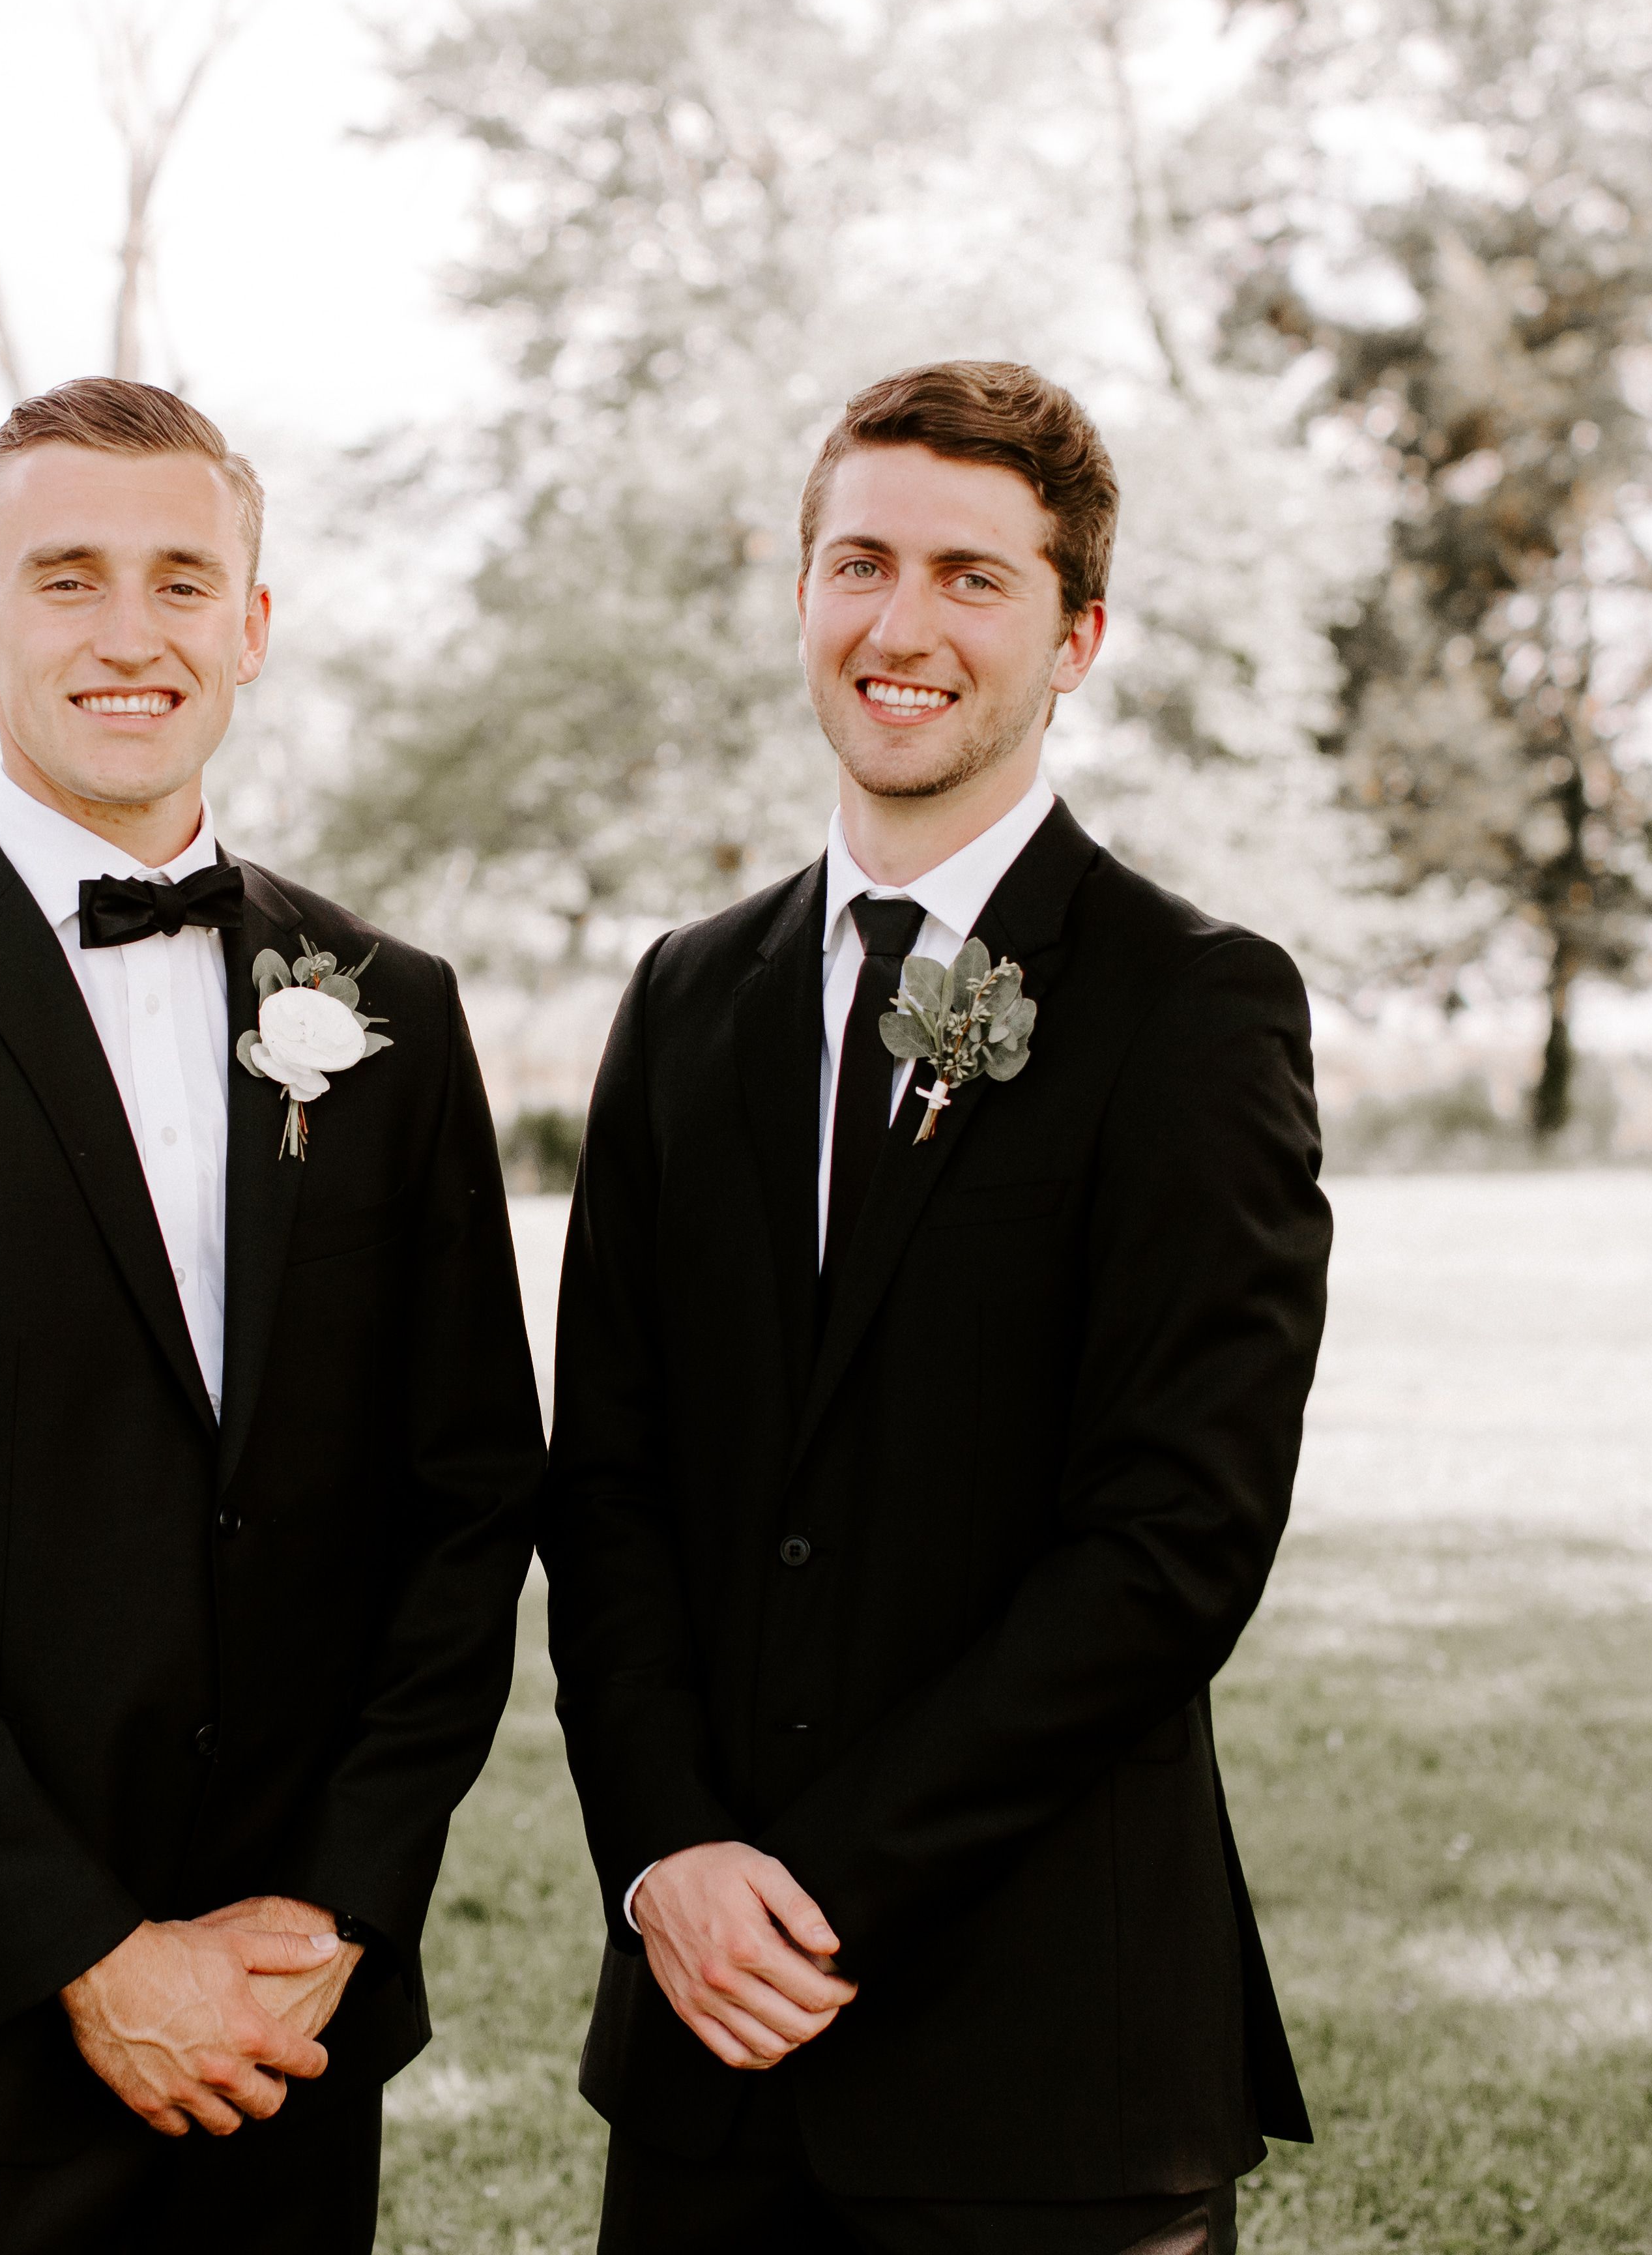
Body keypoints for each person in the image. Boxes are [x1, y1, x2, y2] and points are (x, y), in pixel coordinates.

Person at [0, 377, 542, 2253]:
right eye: (65, 580)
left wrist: (337, 1912)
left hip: (288, 2031)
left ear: (253, 626)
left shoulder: (388, 1004)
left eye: (180, 581)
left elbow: (466, 1499)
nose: (129, 634)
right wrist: (82, 1948)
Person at [541, 360, 1328, 2254]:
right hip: (707, 2058)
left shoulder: (1192, 1007)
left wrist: (808, 1887)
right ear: (803, 595)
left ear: (1079, 637)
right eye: (859, 563)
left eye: (974, 578)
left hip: (1044, 2062)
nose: (903, 626)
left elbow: (1173, 1542)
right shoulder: (684, 999)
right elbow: (609, 1480)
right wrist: (665, 1859)